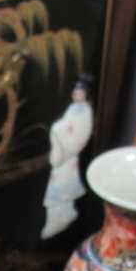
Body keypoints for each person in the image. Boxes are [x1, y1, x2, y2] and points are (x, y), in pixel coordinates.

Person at [41, 75, 94, 240]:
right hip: (63, 153)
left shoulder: (85, 112)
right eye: (75, 91)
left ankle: (63, 215)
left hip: (69, 154)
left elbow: (79, 136)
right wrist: (59, 129)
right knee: (56, 185)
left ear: (86, 94)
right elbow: (64, 126)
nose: (77, 94)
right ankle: (56, 217)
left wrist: (59, 131)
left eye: (80, 91)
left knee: (63, 186)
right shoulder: (73, 108)